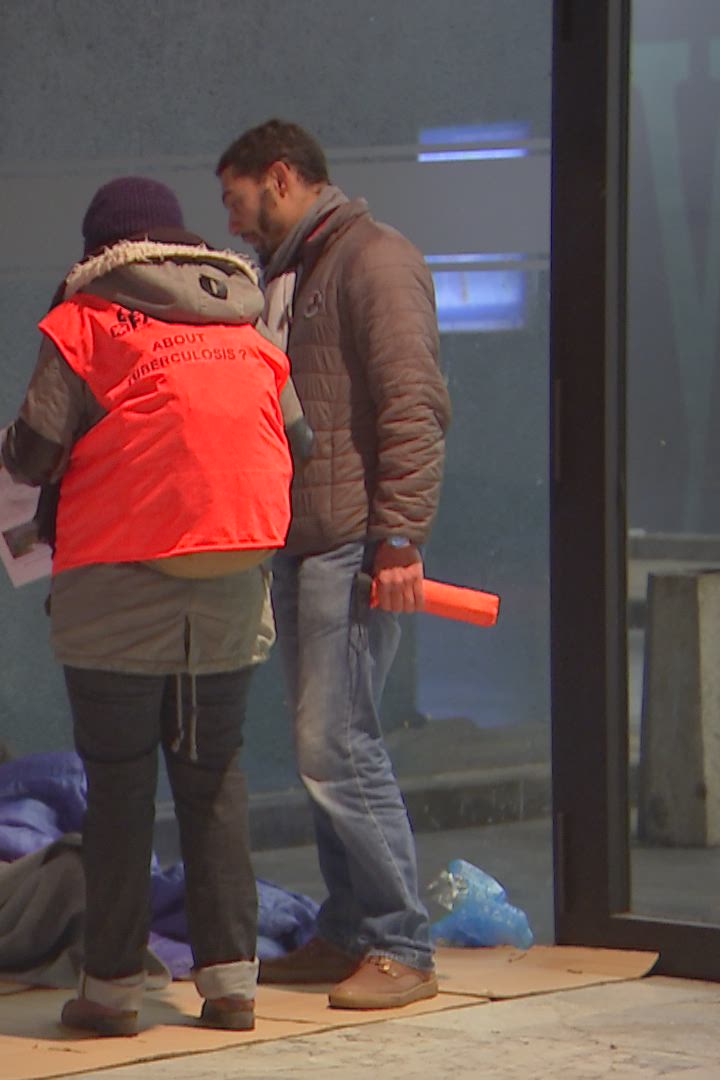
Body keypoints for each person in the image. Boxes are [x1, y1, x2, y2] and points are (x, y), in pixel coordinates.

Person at [2, 177, 310, 1036]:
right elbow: (299, 440)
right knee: (214, 784)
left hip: (115, 593)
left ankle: (110, 992)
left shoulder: (86, 320)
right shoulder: (242, 321)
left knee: (119, 790)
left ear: (100, 252)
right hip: (230, 587)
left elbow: (35, 450)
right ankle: (232, 985)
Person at [216, 119, 451, 1009]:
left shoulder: (374, 261)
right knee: (324, 749)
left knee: (338, 746)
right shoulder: (298, 273)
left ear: (281, 178)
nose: (233, 222)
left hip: (351, 545)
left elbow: (413, 404)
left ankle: (402, 945)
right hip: (306, 540)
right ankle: (350, 930)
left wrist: (400, 538)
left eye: (238, 200)